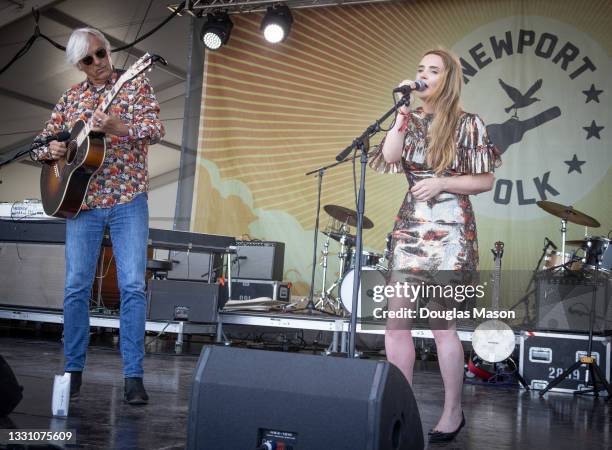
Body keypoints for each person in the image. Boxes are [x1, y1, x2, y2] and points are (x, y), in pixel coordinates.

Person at [369, 48, 501, 443]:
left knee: (442, 327)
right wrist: (400, 113)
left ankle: (452, 411)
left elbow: (485, 180)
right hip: (411, 227)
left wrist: (443, 182)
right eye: (420, 68)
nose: (423, 74)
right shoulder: (408, 117)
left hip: (451, 230)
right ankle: (403, 408)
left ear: (448, 78)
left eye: (433, 69)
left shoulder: (467, 123)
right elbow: (390, 156)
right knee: (396, 325)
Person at [32, 27, 165, 405]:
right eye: (88, 59)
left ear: (109, 51)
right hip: (82, 203)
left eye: (101, 53)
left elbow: (155, 129)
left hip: (128, 198)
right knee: (76, 286)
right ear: (79, 65)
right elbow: (40, 146)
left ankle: (133, 376)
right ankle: (73, 370)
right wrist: (54, 148)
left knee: (133, 287)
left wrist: (118, 127)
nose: (99, 63)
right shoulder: (71, 98)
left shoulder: (134, 84)